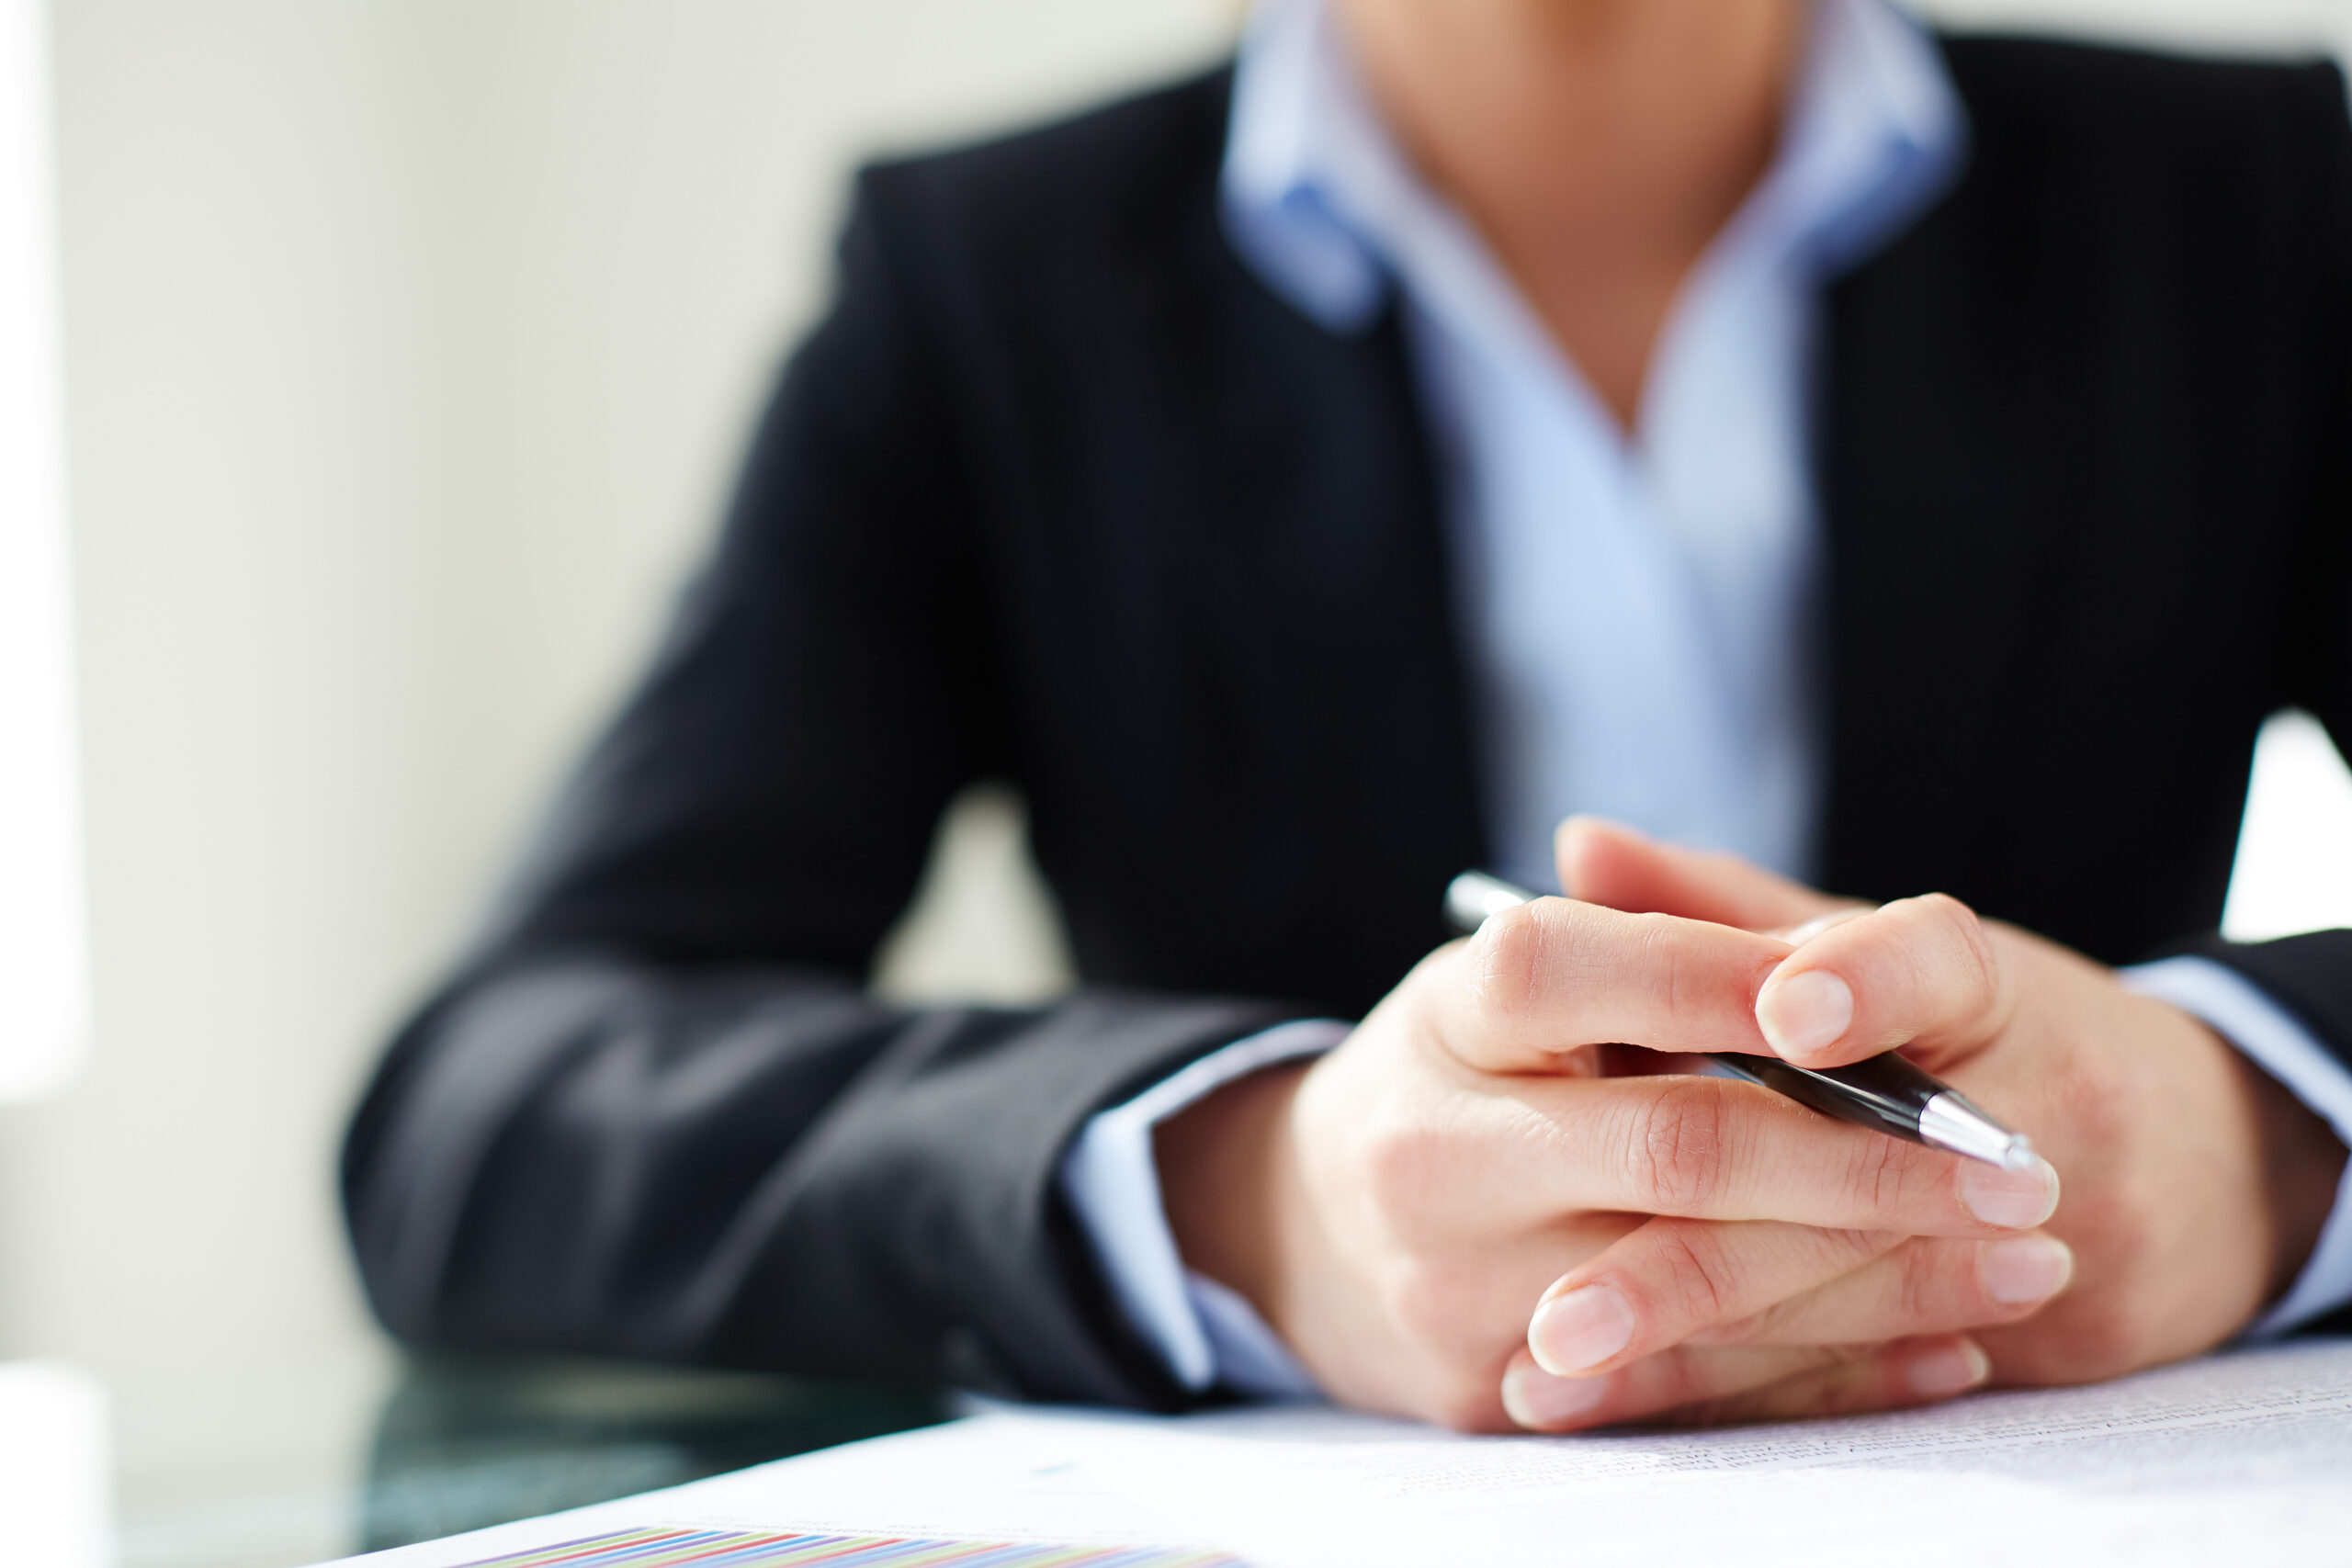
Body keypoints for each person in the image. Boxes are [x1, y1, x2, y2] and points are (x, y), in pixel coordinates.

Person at [342, 0, 2352, 1434]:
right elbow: (486, 1104)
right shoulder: (984, 289)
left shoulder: (2249, 199)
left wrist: (2255, 1131)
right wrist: (1248, 1190)